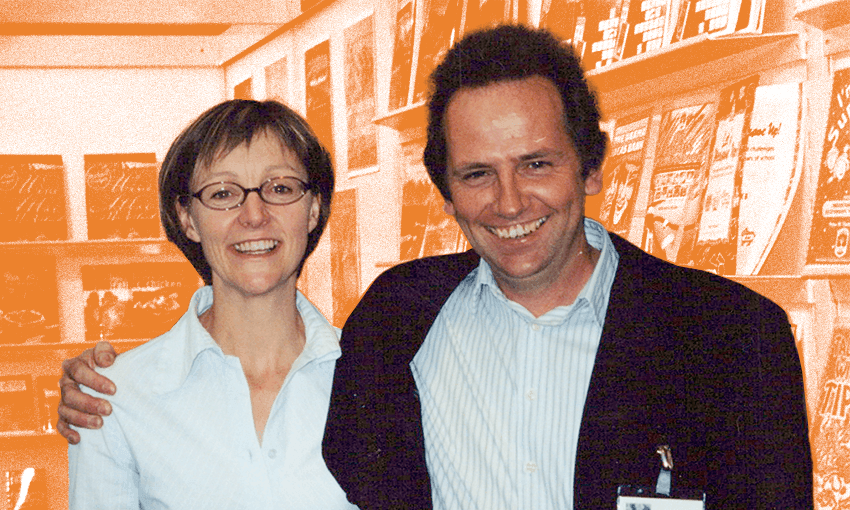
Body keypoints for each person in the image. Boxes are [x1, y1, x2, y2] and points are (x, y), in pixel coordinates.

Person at [59, 25, 812, 510]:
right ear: (446, 189)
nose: (509, 200)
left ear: (590, 165)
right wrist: (98, 383)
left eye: (537, 163)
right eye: (477, 172)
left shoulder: (732, 336)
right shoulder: (397, 322)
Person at [64, 99, 356, 509]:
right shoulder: (114, 398)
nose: (254, 214)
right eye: (223, 193)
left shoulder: (376, 379)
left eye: (280, 188)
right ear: (186, 218)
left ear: (313, 209)